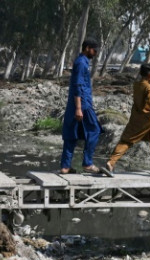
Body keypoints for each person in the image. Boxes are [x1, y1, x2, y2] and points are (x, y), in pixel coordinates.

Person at [102, 63, 150, 177]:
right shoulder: (149, 87)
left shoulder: (136, 85)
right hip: (148, 120)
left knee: (126, 140)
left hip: (136, 118)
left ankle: (111, 162)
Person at [60, 39, 103, 174]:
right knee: (94, 130)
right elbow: (78, 85)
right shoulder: (81, 63)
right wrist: (79, 108)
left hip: (76, 104)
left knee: (71, 134)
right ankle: (87, 163)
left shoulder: (81, 62)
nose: (95, 53)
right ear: (87, 48)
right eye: (94, 50)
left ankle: (65, 167)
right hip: (82, 104)